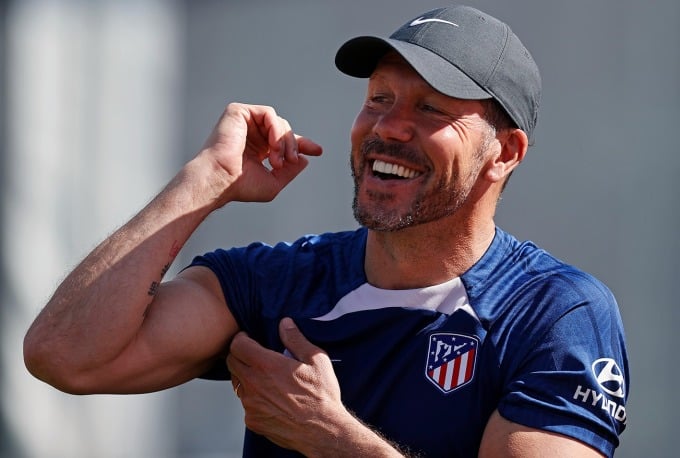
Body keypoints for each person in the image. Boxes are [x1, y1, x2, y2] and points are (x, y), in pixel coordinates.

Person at [23, 4, 628, 457]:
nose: (387, 128)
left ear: (505, 153)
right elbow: (65, 356)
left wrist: (334, 440)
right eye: (378, 99)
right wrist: (202, 182)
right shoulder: (276, 281)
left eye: (430, 109)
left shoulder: (557, 313)